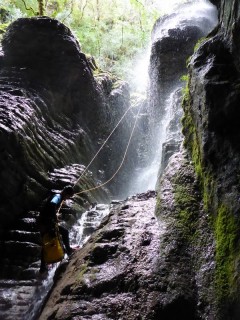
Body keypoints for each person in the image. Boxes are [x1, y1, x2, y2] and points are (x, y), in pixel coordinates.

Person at [38, 185, 75, 274]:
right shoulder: (57, 196)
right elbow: (52, 204)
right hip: (46, 223)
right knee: (64, 233)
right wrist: (55, 217)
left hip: (44, 222)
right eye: (68, 197)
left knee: (46, 242)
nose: (67, 199)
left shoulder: (58, 196)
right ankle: (68, 250)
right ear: (66, 193)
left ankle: (43, 268)